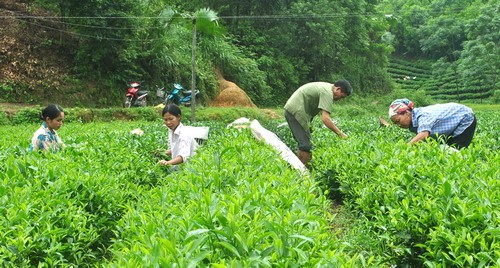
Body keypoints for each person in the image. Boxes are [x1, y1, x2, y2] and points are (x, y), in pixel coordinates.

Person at [284, 80, 353, 167]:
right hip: (296, 111)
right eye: (341, 96)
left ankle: (301, 168)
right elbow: (325, 118)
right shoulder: (328, 92)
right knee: (306, 146)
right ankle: (301, 173)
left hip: (295, 110)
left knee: (305, 143)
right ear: (338, 89)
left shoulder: (327, 88)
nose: (340, 99)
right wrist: (341, 135)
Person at [389, 99, 477, 149]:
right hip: (451, 124)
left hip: (464, 118)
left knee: (456, 149)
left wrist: (406, 147)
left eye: (398, 121)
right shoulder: (413, 123)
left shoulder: (422, 115)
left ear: (407, 112)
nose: (399, 125)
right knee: (443, 148)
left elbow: (423, 135)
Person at [157, 104, 198, 169]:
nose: (168, 122)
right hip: (178, 168)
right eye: (165, 120)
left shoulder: (184, 133)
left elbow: (183, 156)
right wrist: (163, 152)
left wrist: (167, 162)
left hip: (189, 169)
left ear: (178, 117)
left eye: (171, 119)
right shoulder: (171, 131)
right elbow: (175, 149)